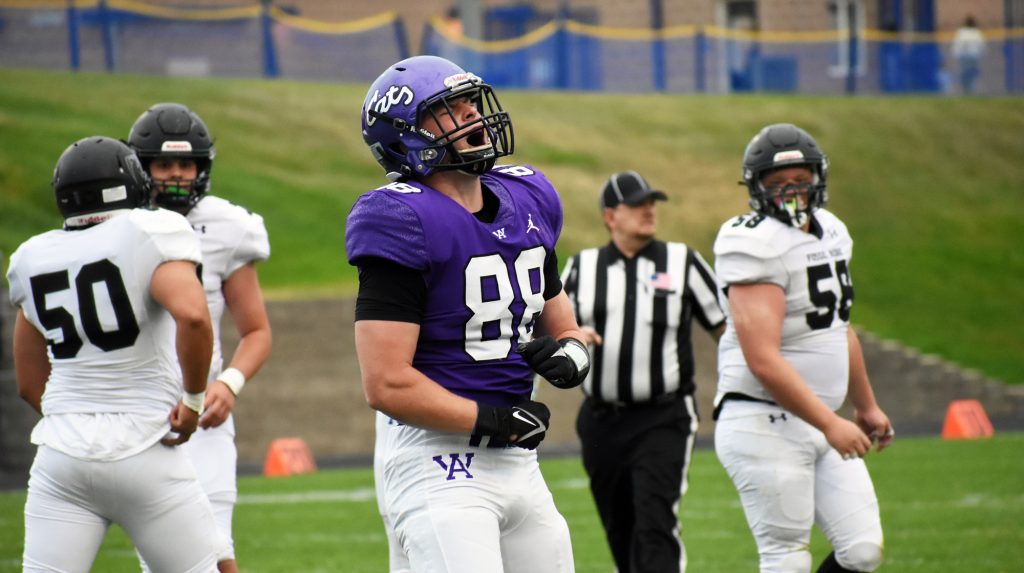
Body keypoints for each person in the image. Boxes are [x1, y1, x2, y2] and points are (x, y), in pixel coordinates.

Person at [346, 55, 591, 573]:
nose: (474, 118)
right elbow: (386, 383)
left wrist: (572, 357)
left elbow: (564, 325)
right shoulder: (400, 217)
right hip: (438, 460)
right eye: (449, 111)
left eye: (470, 104)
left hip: (520, 461)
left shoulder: (527, 197)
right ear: (406, 135)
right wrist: (493, 419)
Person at [7, 136, 219, 572]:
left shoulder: (32, 257)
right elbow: (194, 317)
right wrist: (194, 401)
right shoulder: (152, 232)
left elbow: (30, 383)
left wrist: (75, 418)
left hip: (61, 457)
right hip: (146, 443)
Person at [712, 123, 895, 573]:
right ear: (755, 189)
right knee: (787, 560)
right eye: (776, 184)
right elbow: (763, 360)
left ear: (818, 177)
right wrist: (831, 423)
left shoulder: (831, 230)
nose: (790, 191)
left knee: (863, 551)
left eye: (799, 180)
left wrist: (865, 405)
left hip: (820, 418)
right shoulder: (749, 241)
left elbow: (836, 327)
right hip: (762, 420)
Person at [128, 102, 272, 573]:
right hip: (140, 412)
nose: (174, 175)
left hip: (204, 413)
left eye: (185, 164)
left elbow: (256, 332)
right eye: (163, 164)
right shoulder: (119, 226)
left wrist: (228, 383)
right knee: (163, 561)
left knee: (216, 550)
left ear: (201, 167)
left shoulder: (229, 226)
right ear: (140, 167)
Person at [560, 170, 726, 573]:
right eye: (638, 203)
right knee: (621, 529)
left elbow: (728, 329)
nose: (649, 210)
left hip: (663, 416)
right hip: (601, 419)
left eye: (652, 202)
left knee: (655, 522)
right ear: (610, 216)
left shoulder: (683, 262)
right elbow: (545, 328)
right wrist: (571, 336)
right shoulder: (582, 268)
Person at [951, 15, 986, 94]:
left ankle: (969, 90)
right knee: (970, 74)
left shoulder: (963, 33)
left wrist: (956, 54)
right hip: (971, 56)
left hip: (966, 57)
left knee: (967, 74)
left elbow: (957, 46)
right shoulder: (976, 33)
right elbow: (982, 46)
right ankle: (969, 90)